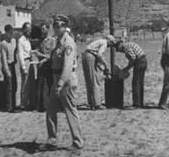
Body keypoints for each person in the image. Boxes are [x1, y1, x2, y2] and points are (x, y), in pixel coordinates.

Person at [46, 14, 83, 149]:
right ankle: (52, 139)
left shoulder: (68, 43)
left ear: (65, 27)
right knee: (50, 109)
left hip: (65, 81)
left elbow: (67, 66)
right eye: (54, 25)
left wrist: (60, 84)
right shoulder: (58, 42)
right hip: (57, 78)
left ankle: (77, 141)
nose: (55, 28)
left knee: (70, 110)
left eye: (58, 25)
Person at [81, 35, 116, 110]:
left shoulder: (98, 42)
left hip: (86, 56)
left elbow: (97, 59)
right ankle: (97, 104)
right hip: (90, 56)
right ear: (110, 41)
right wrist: (106, 66)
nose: (110, 46)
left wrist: (103, 69)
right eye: (112, 44)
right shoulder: (104, 43)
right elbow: (99, 55)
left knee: (89, 80)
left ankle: (91, 102)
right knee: (94, 80)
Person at [116, 40, 147, 108]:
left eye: (118, 49)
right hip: (144, 60)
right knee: (140, 83)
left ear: (120, 44)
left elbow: (133, 58)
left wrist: (126, 68)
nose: (120, 51)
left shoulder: (126, 47)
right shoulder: (129, 45)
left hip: (139, 62)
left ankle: (136, 104)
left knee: (136, 83)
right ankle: (140, 103)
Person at [32, 22, 56, 112]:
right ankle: (41, 106)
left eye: (43, 28)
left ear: (48, 29)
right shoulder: (42, 41)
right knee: (40, 85)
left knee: (49, 85)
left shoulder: (52, 40)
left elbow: (51, 55)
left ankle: (49, 105)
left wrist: (40, 55)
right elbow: (40, 52)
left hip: (49, 66)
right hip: (41, 66)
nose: (42, 30)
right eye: (41, 29)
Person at [0, 24, 18, 113]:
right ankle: (9, 106)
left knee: (14, 86)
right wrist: (7, 71)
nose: (11, 34)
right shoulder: (3, 43)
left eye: (12, 32)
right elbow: (3, 58)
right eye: (10, 33)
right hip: (7, 65)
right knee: (9, 86)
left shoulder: (14, 41)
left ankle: (14, 105)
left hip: (13, 65)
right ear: (6, 33)